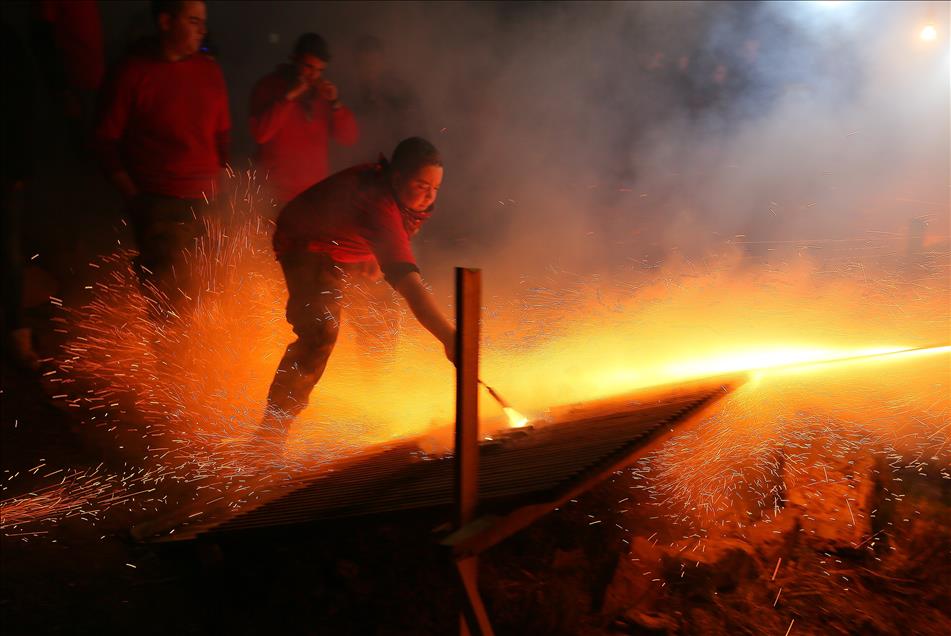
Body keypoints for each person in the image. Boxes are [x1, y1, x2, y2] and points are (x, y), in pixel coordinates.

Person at [259, 137, 455, 443]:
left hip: (349, 245)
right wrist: (450, 338)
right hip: (307, 244)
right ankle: (270, 435)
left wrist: (373, 254)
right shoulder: (378, 204)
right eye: (421, 185)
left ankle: (375, 412)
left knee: (381, 322)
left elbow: (392, 235)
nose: (429, 196)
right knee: (320, 331)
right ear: (397, 177)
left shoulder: (400, 197)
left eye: (436, 189)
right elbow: (411, 286)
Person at [94, 0, 230, 313]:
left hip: (206, 201)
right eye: (193, 21)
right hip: (160, 204)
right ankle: (170, 361)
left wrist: (222, 192)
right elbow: (105, 140)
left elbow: (222, 137)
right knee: (170, 298)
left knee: (207, 293)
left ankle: (200, 359)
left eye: (203, 22)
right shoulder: (133, 73)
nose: (203, 30)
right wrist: (133, 195)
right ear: (166, 22)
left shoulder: (209, 72)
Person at [250, 32, 359, 207]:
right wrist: (290, 97)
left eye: (319, 70)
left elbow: (349, 138)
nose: (313, 75)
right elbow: (261, 134)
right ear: (294, 60)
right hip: (273, 195)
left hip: (312, 196)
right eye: (308, 67)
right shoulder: (268, 87)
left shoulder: (323, 96)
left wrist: (336, 104)